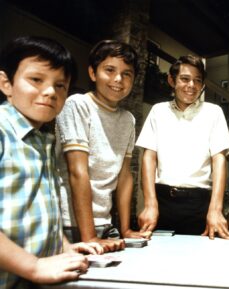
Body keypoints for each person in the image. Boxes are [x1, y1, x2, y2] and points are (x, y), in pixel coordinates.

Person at [0, 36, 101, 289]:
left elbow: (41, 211)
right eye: (36, 80)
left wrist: (64, 247)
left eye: (60, 85)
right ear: (6, 83)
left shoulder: (42, 141)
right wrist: (33, 266)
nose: (49, 92)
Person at [56, 39, 147, 253]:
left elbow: (124, 176)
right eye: (109, 70)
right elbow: (77, 171)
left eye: (127, 73)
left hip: (105, 224)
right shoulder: (77, 105)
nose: (118, 79)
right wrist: (89, 237)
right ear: (92, 73)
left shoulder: (128, 119)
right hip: (71, 225)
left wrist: (125, 228)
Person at [136, 55, 229, 239]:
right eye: (185, 79)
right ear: (171, 80)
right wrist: (150, 204)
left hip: (200, 204)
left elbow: (219, 161)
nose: (192, 85)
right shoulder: (158, 111)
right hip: (162, 201)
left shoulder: (214, 112)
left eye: (198, 80)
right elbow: (149, 158)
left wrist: (215, 209)